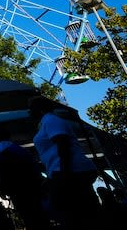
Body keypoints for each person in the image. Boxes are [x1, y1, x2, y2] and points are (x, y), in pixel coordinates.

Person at [29, 96, 101, 229]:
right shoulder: (47, 122)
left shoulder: (51, 120)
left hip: (71, 171)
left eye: (31, 109)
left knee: (71, 212)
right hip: (65, 171)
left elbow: (62, 143)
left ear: (39, 109)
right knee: (75, 211)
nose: (29, 112)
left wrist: (64, 171)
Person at [0, 129, 49, 230]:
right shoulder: (20, 149)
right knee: (38, 213)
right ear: (9, 136)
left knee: (26, 215)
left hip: (13, 189)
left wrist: (0, 189)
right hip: (30, 186)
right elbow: (34, 167)